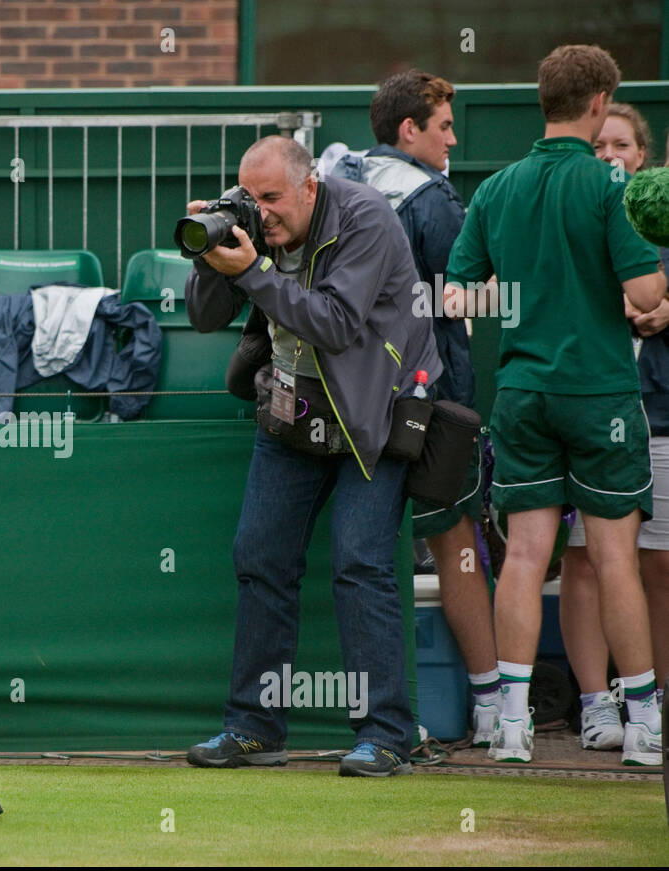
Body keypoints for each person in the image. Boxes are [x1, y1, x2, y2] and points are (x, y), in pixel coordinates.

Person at [185, 135, 441, 777]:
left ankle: (386, 734)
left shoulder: (367, 218)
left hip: (373, 407)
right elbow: (203, 318)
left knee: (360, 562)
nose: (261, 212)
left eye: (273, 199)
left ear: (310, 188)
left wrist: (252, 272)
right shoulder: (252, 226)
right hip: (294, 408)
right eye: (250, 198)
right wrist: (210, 256)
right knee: (260, 556)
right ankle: (253, 729)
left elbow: (334, 323)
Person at [445, 45, 667, 765]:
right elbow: (644, 297)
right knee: (614, 560)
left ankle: (512, 726)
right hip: (599, 392)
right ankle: (642, 726)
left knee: (526, 558)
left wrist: (526, 294)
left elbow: (457, 293)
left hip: (522, 392)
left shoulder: (499, 187)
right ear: (599, 102)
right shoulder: (612, 187)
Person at [337, 70, 500, 744]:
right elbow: (451, 307)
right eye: (444, 126)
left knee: (370, 556)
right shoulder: (433, 200)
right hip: (419, 406)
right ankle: (491, 706)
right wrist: (460, 412)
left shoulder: (336, 181)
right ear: (410, 130)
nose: (453, 139)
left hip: (344, 408)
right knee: (452, 540)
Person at [559, 101, 669, 762]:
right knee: (583, 559)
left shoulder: (658, 215)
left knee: (656, 563)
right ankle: (595, 703)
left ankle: (651, 702)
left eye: (621, 145)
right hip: (584, 413)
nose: (608, 155)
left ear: (641, 155)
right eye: (598, 143)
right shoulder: (571, 215)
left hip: (656, 415)